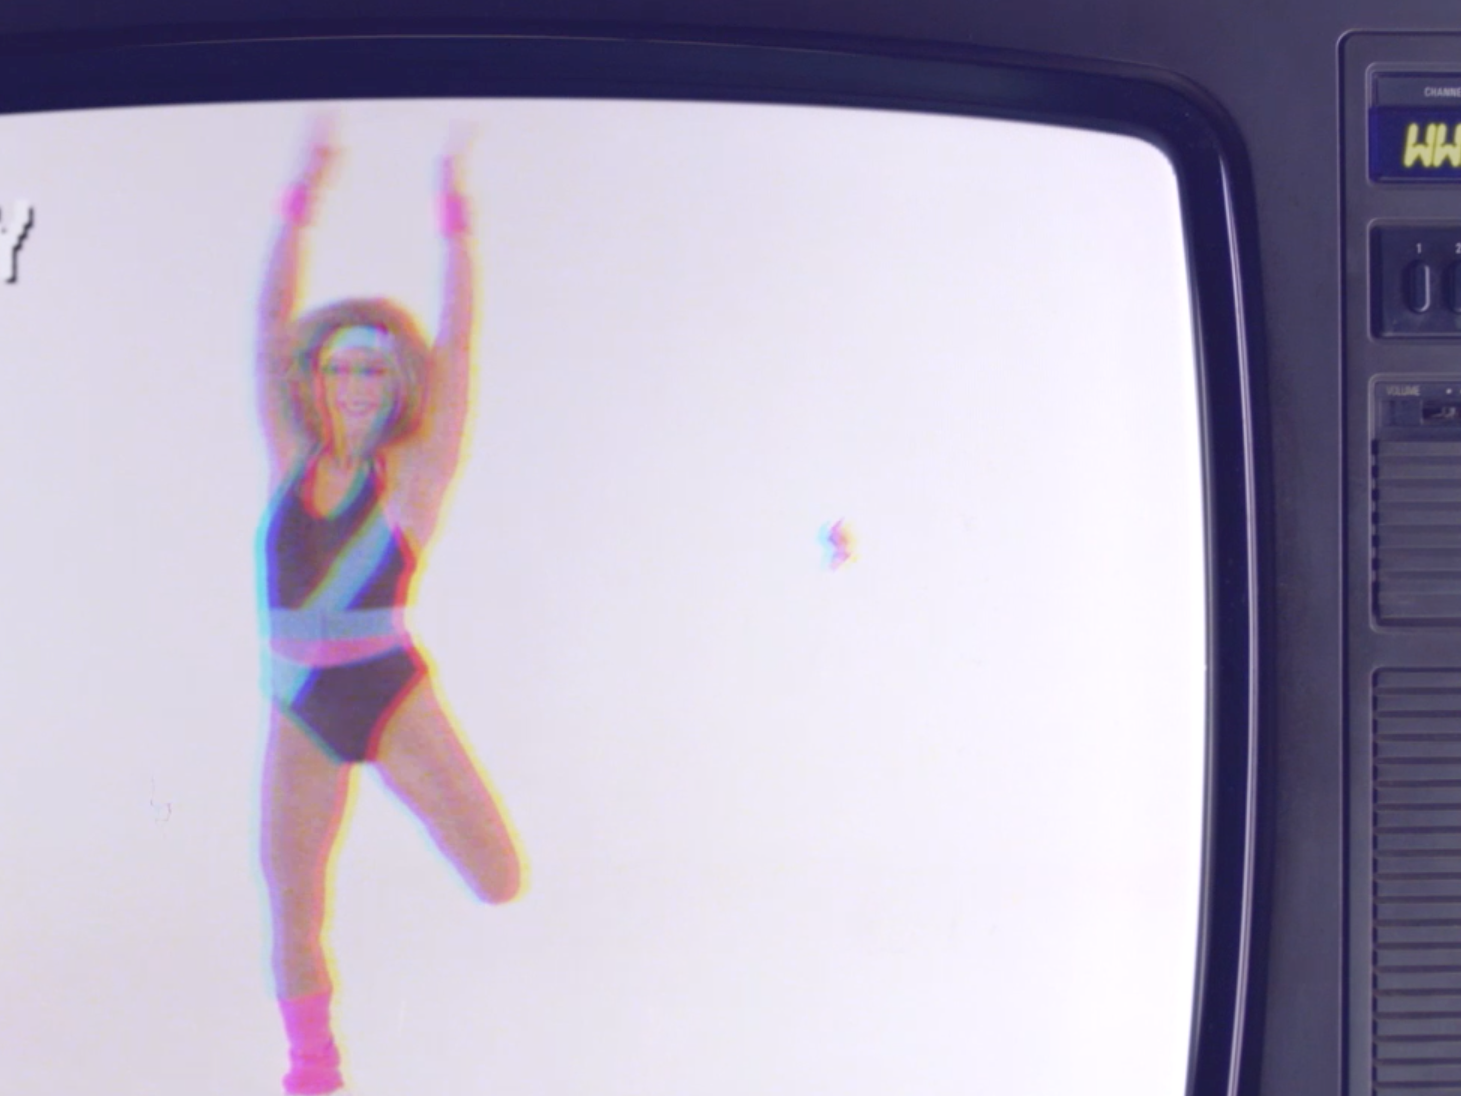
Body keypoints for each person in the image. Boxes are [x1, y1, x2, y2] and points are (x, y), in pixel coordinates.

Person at [257, 124, 521, 1096]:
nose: (357, 382)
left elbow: (459, 345)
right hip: (301, 705)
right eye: (340, 366)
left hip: (389, 689)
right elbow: (267, 327)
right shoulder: (290, 459)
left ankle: (411, 803)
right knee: (292, 902)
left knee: (500, 879)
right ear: (315, 381)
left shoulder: (414, 473)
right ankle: (313, 1071)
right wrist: (301, 195)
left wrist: (456, 221)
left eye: (374, 367)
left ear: (396, 379)